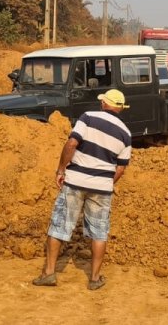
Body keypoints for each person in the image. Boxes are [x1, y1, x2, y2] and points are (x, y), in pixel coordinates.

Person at [32, 89, 132, 291]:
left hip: (75, 181)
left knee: (60, 224)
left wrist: (61, 170)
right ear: (120, 108)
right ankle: (94, 278)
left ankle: (49, 273)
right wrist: (106, 182)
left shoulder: (88, 117)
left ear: (104, 103)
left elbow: (71, 143)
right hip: (102, 187)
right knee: (99, 232)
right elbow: (120, 167)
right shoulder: (126, 133)